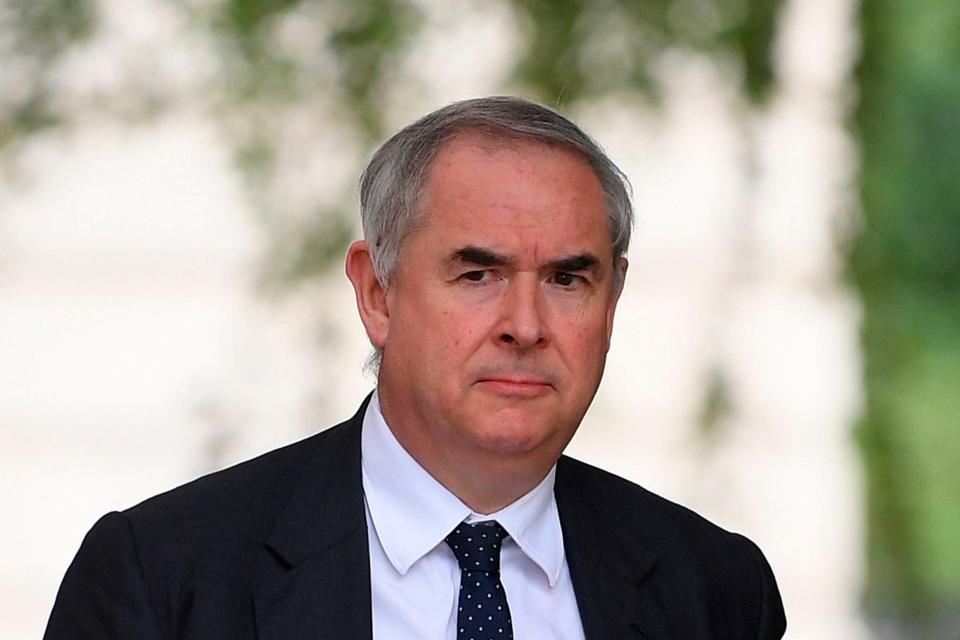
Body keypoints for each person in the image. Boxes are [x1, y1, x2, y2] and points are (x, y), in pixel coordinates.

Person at [44, 96, 786, 639]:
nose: (525, 327)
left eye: (567, 279)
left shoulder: (715, 590)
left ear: (612, 301)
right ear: (377, 293)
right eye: (477, 276)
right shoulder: (167, 578)